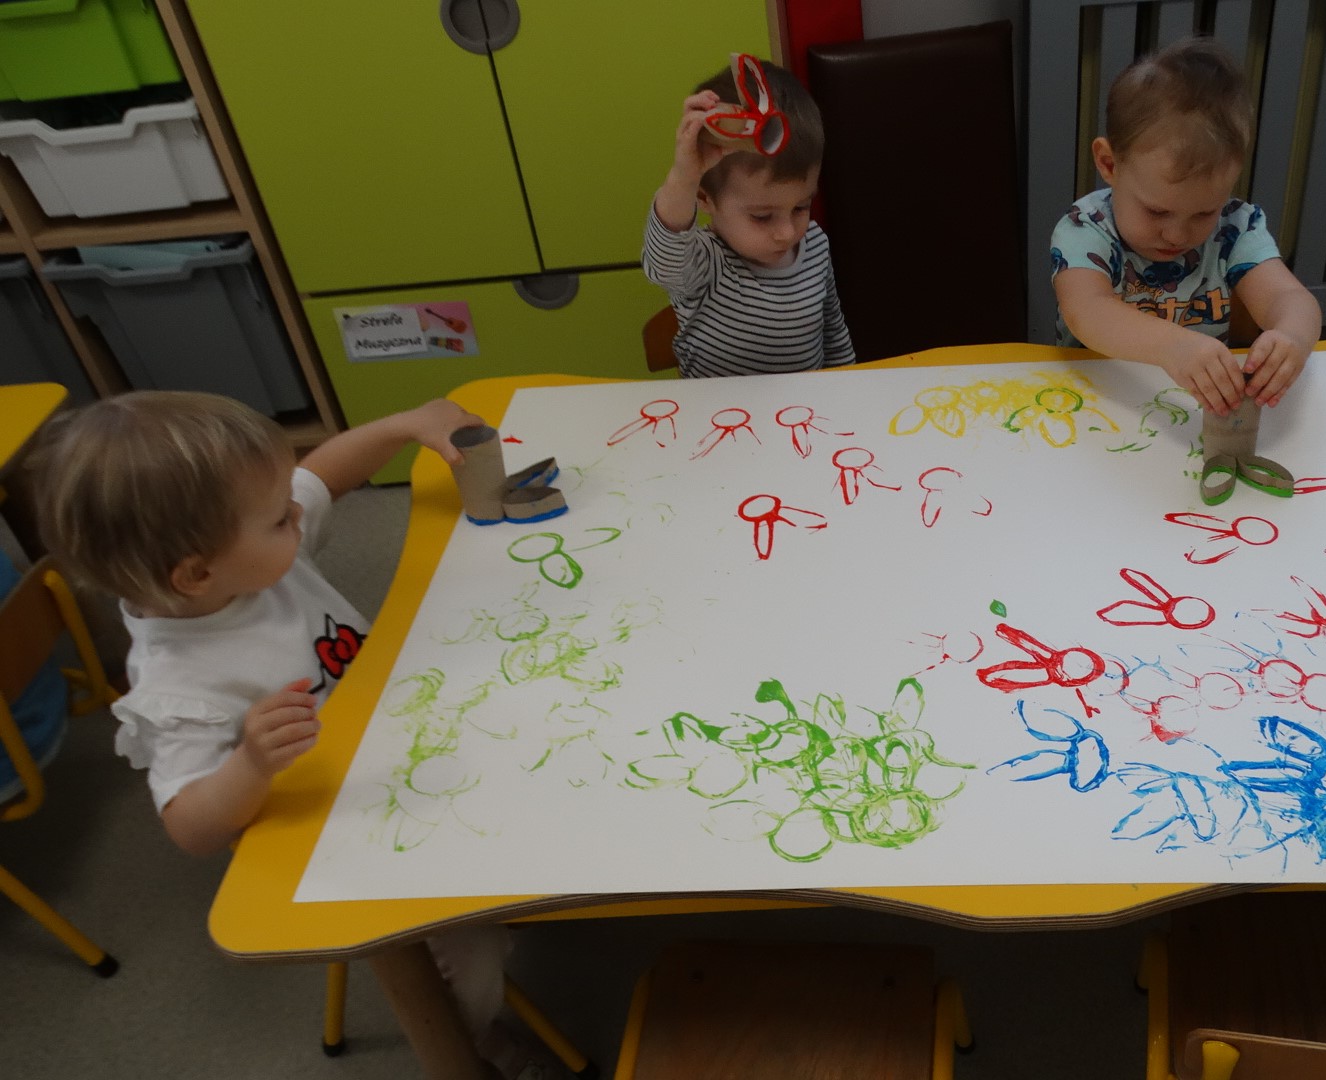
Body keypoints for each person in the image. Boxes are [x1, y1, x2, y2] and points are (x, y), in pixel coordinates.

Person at [29, 391, 545, 1080]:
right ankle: (476, 1045)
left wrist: (400, 423)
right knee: (474, 950)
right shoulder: (178, 689)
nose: (297, 512)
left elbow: (322, 474)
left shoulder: (251, 555)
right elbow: (190, 827)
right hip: (353, 827)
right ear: (196, 573)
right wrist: (249, 763)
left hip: (403, 741)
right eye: (279, 517)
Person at [1050, 37, 1321, 416]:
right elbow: (1087, 310)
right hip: (1095, 403)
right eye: (1157, 212)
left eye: (1203, 213)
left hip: (1190, 410)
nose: (1178, 235)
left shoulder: (1235, 227)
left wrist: (1291, 337)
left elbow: (1288, 297)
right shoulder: (1086, 228)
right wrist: (1173, 346)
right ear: (1109, 164)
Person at [642, 55, 855, 377]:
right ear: (705, 197)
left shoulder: (815, 245)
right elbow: (663, 265)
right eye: (762, 216)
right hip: (718, 408)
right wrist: (684, 177)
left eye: (801, 207)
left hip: (805, 405)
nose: (787, 232)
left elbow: (834, 334)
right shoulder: (706, 262)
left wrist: (848, 385)